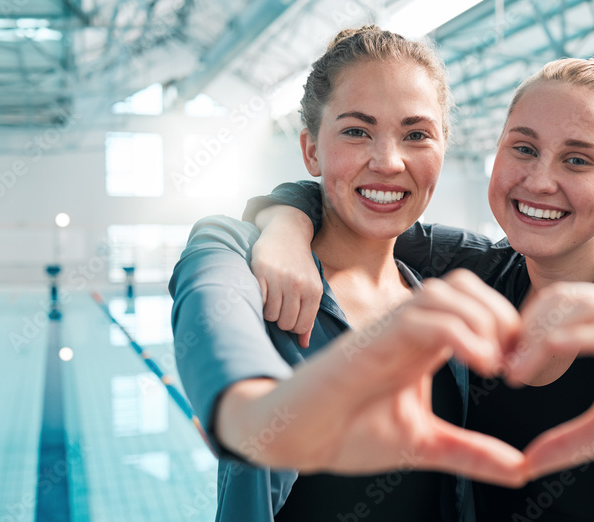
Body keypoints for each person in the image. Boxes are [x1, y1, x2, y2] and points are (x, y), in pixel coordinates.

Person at [244, 57, 594, 521]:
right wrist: (286, 222)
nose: (539, 180)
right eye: (523, 149)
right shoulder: (479, 270)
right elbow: (360, 203)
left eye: (577, 159)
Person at [168, 26, 529, 522]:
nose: (388, 161)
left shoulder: (444, 288)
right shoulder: (240, 262)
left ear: (443, 148)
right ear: (311, 149)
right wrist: (256, 415)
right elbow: (225, 351)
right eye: (357, 131)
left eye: (416, 134)